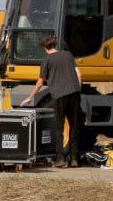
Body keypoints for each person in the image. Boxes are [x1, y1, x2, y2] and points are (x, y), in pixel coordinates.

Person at [20, 36, 83, 167]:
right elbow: (79, 74)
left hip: (60, 96)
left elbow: (40, 82)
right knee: (74, 126)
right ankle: (74, 159)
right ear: (54, 44)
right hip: (75, 94)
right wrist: (78, 88)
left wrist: (30, 97)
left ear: (45, 47)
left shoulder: (47, 60)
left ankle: (60, 159)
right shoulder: (68, 55)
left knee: (59, 127)